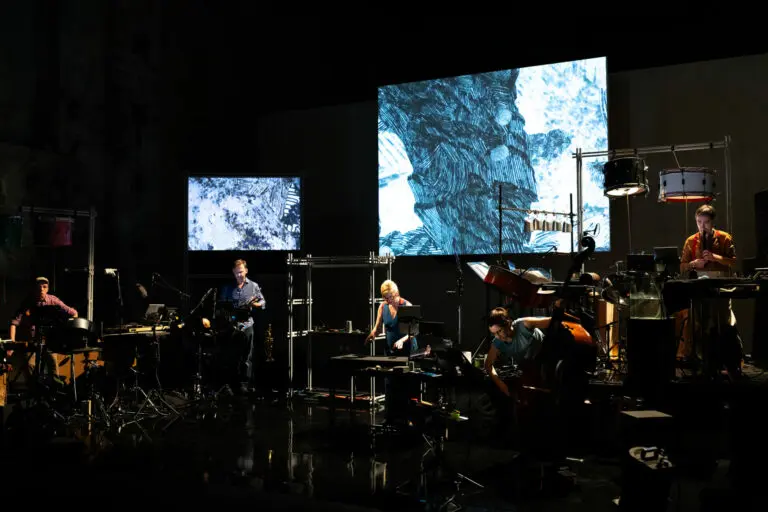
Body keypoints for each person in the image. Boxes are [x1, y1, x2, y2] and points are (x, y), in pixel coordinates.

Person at [678, 204, 742, 378]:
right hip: (700, 285)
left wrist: (716, 258)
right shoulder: (691, 241)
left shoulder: (724, 238)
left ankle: (729, 362)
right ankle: (702, 361)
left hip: (720, 284)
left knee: (724, 322)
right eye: (699, 222)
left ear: (712, 222)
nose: (702, 226)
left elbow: (733, 261)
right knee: (699, 324)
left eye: (706, 222)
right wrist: (693, 264)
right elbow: (682, 266)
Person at [219, 259, 265, 393]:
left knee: (246, 356)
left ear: (246, 271)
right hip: (231, 326)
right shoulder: (228, 288)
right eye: (236, 272)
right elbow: (221, 305)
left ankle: (244, 384)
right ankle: (230, 384)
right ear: (233, 272)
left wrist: (254, 304)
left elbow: (263, 302)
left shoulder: (254, 286)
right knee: (231, 356)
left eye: (241, 272)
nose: (239, 275)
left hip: (247, 325)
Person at [484, 307, 551, 397]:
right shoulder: (498, 341)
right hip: (530, 368)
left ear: (508, 323)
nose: (497, 336)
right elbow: (488, 364)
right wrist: (500, 384)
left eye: (499, 331)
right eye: (494, 333)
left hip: (548, 359)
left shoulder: (524, 324)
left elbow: (552, 321)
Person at [366, 279, 418, 355]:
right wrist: (372, 334)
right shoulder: (382, 306)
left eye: (391, 297)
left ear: (396, 293)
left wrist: (401, 341)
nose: (388, 300)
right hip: (391, 351)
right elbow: (378, 328)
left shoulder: (407, 306)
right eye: (385, 298)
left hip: (408, 350)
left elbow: (414, 332)